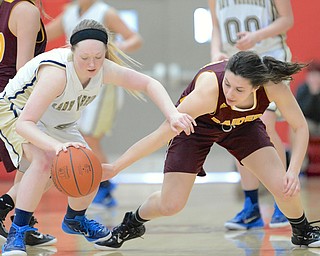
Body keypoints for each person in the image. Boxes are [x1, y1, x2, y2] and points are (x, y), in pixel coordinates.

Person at [0, 18, 195, 255]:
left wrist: (173, 114)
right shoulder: (56, 74)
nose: (92, 64)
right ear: (72, 52)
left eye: (98, 57)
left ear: (106, 53)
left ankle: (75, 219)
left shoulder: (103, 70)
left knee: (88, 164)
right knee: (42, 162)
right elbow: (25, 124)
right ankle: (18, 231)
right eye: (85, 58)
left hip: (58, 121)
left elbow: (148, 83)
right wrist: (55, 147)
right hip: (15, 112)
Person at [94, 51, 320, 250]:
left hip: (243, 126)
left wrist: (293, 171)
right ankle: (132, 223)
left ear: (257, 86)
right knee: (171, 204)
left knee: (284, 185)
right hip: (196, 128)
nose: (230, 92)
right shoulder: (208, 92)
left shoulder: (273, 86)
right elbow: (158, 135)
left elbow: (299, 126)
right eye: (228, 84)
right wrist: (116, 167)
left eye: (239, 89)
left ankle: (302, 231)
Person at [45, 0, 143, 209]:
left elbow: (135, 39)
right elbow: (42, 36)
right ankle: (100, 184)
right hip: (76, 84)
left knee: (90, 136)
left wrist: (112, 50)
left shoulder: (106, 12)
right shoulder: (69, 13)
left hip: (103, 86)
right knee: (79, 133)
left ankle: (104, 186)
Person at [208, 0, 294, 229]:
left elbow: (287, 20)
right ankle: (251, 206)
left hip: (268, 61)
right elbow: (216, 25)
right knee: (239, 131)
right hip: (236, 66)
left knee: (264, 126)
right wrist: (215, 51)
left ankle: (282, 202)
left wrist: (257, 36)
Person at [0, 0, 57, 246]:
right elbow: (23, 70)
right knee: (51, 163)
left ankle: (23, 225)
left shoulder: (6, 6)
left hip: (6, 95)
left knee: (28, 164)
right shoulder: (26, 10)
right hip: (12, 98)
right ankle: (4, 209)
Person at [296, 61, 320, 136]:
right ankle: (296, 147)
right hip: (308, 124)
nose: (314, 79)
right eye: (311, 76)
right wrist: (312, 95)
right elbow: (301, 112)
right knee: (294, 124)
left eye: (316, 76)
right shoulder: (302, 89)